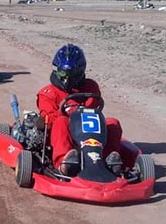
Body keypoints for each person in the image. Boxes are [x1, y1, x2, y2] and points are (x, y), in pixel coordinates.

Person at [36, 44, 128, 176]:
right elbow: (46, 122)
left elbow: (96, 111)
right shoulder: (47, 94)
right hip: (64, 136)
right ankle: (64, 163)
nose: (67, 79)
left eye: (72, 75)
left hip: (89, 134)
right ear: (56, 70)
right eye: (63, 73)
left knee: (112, 122)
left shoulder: (90, 87)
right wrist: (65, 111)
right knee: (61, 121)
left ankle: (109, 161)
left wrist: (79, 110)